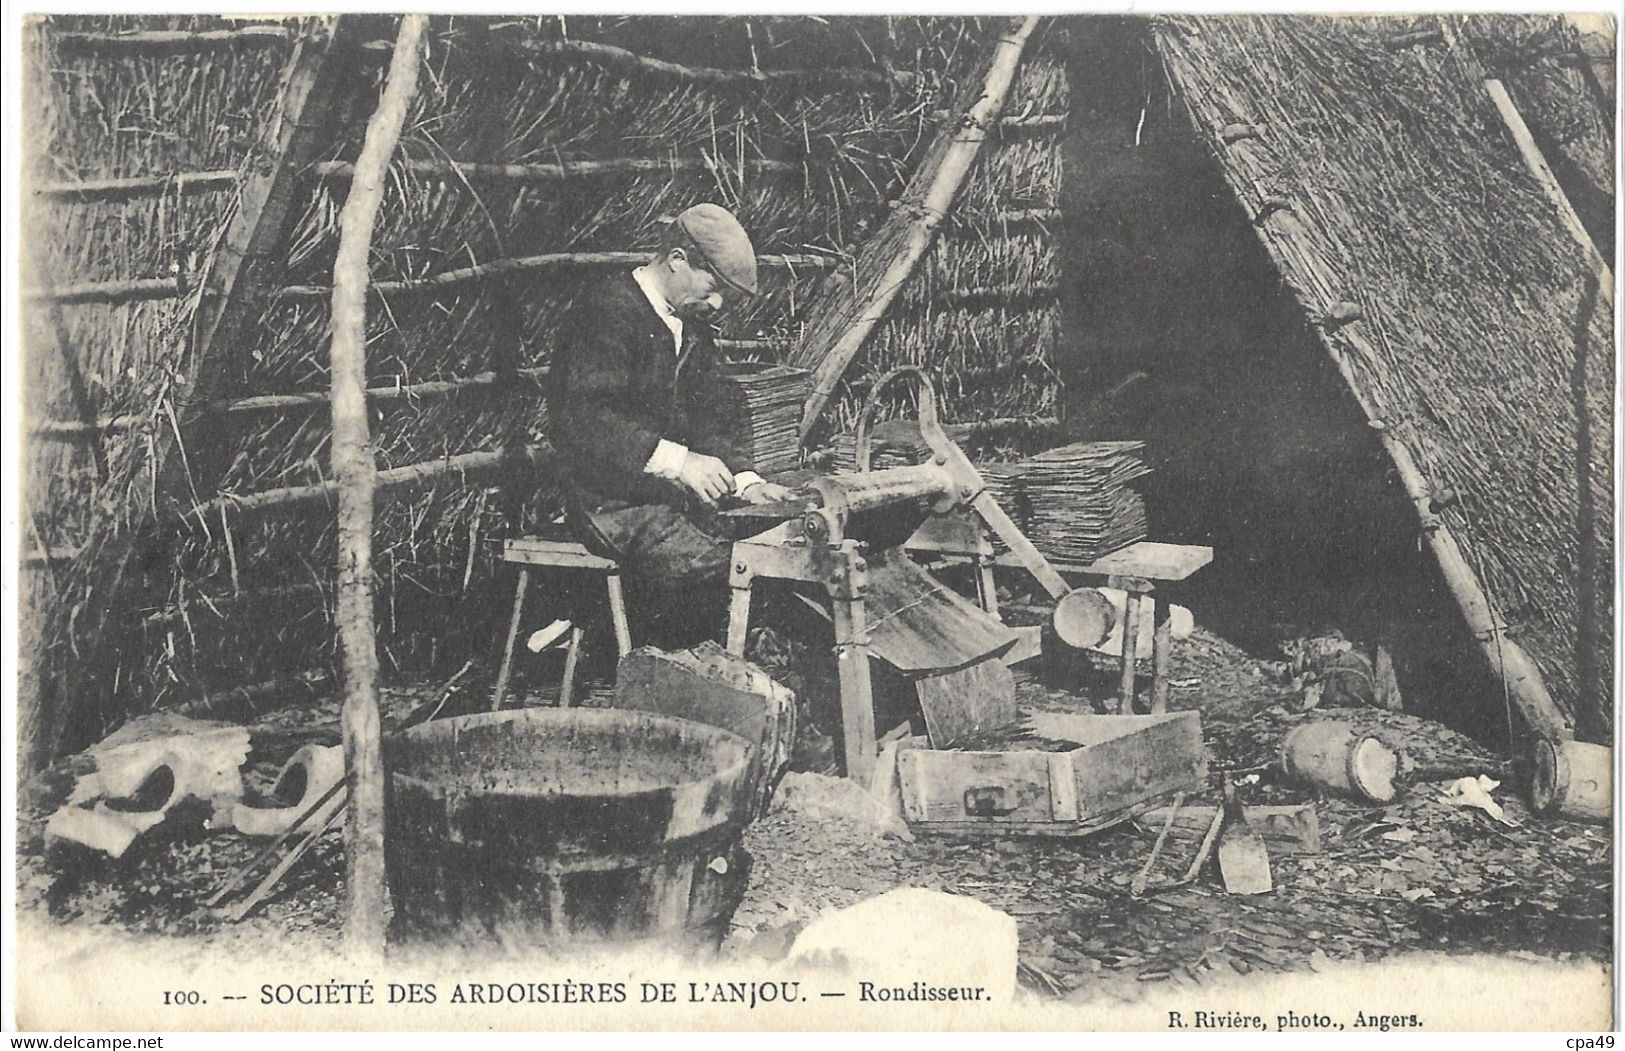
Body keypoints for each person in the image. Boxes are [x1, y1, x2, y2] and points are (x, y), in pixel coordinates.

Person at [549, 203, 794, 606]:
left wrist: (748, 483)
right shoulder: (607, 311)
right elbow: (583, 418)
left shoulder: (692, 328)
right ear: (678, 260)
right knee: (721, 563)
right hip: (608, 504)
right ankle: (677, 662)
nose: (716, 306)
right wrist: (680, 463)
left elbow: (715, 412)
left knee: (771, 542)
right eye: (712, 290)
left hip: (668, 499)